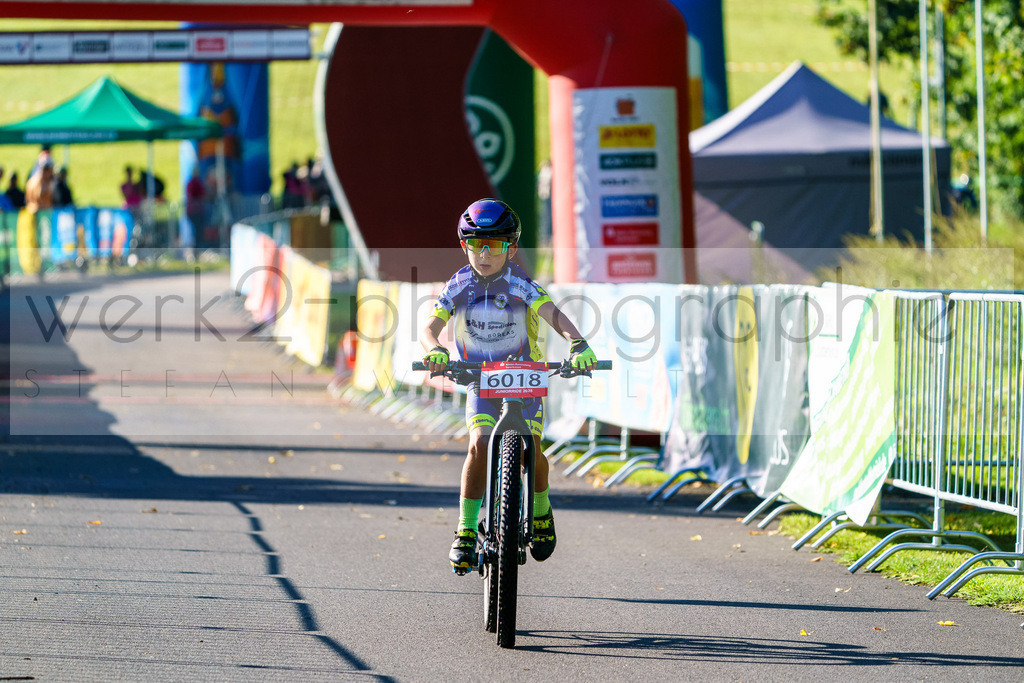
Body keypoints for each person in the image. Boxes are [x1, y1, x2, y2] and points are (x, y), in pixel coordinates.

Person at [420, 198, 597, 572]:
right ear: (463, 246)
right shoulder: (458, 285)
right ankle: (466, 530)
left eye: (496, 245)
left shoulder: (521, 283)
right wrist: (434, 349)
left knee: (532, 447)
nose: (485, 254)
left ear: (511, 248)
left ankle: (541, 510)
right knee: (479, 445)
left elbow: (553, 314)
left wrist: (578, 343)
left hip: (524, 379)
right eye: (475, 245)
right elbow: (430, 328)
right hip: (480, 379)